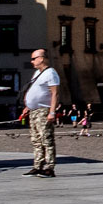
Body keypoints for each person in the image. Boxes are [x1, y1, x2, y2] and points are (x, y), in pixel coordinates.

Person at [23, 48, 61, 177]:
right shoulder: (37, 73)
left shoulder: (51, 73)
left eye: (34, 58)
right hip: (34, 111)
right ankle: (37, 165)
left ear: (41, 59)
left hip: (44, 111)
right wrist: (28, 106)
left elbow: (54, 93)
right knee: (36, 140)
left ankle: (49, 167)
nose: (32, 61)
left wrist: (52, 112)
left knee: (46, 139)